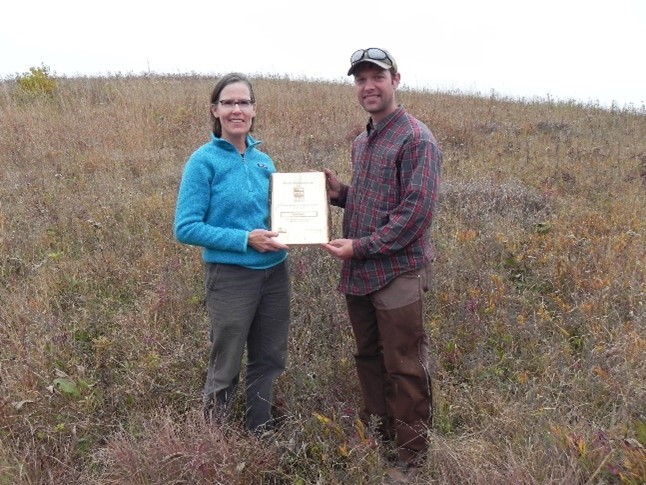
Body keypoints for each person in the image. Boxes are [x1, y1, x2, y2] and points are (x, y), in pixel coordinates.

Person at [322, 48, 442, 470]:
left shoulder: (416, 138)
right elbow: (378, 204)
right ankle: (379, 436)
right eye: (360, 79)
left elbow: (413, 216)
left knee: (404, 364)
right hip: (361, 272)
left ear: (396, 80)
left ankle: (411, 458)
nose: (368, 86)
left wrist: (360, 246)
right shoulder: (363, 140)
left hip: (395, 272)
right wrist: (342, 196)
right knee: (368, 357)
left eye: (377, 77)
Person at [174, 73, 290, 436]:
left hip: (275, 274)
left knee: (269, 358)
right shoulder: (203, 162)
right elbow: (186, 227)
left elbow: (277, 217)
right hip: (231, 277)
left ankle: (260, 431)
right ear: (215, 110)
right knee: (225, 362)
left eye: (243, 102)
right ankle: (214, 439)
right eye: (228, 102)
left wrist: (299, 231)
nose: (236, 109)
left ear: (254, 110)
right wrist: (245, 240)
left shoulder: (264, 162)